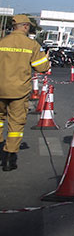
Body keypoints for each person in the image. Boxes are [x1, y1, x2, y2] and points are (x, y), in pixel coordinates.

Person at [0, 15, 51, 172]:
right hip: (19, 91)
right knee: (16, 124)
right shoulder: (31, 45)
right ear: (25, 27)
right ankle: (9, 158)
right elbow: (41, 68)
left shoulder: (2, 42)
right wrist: (46, 59)